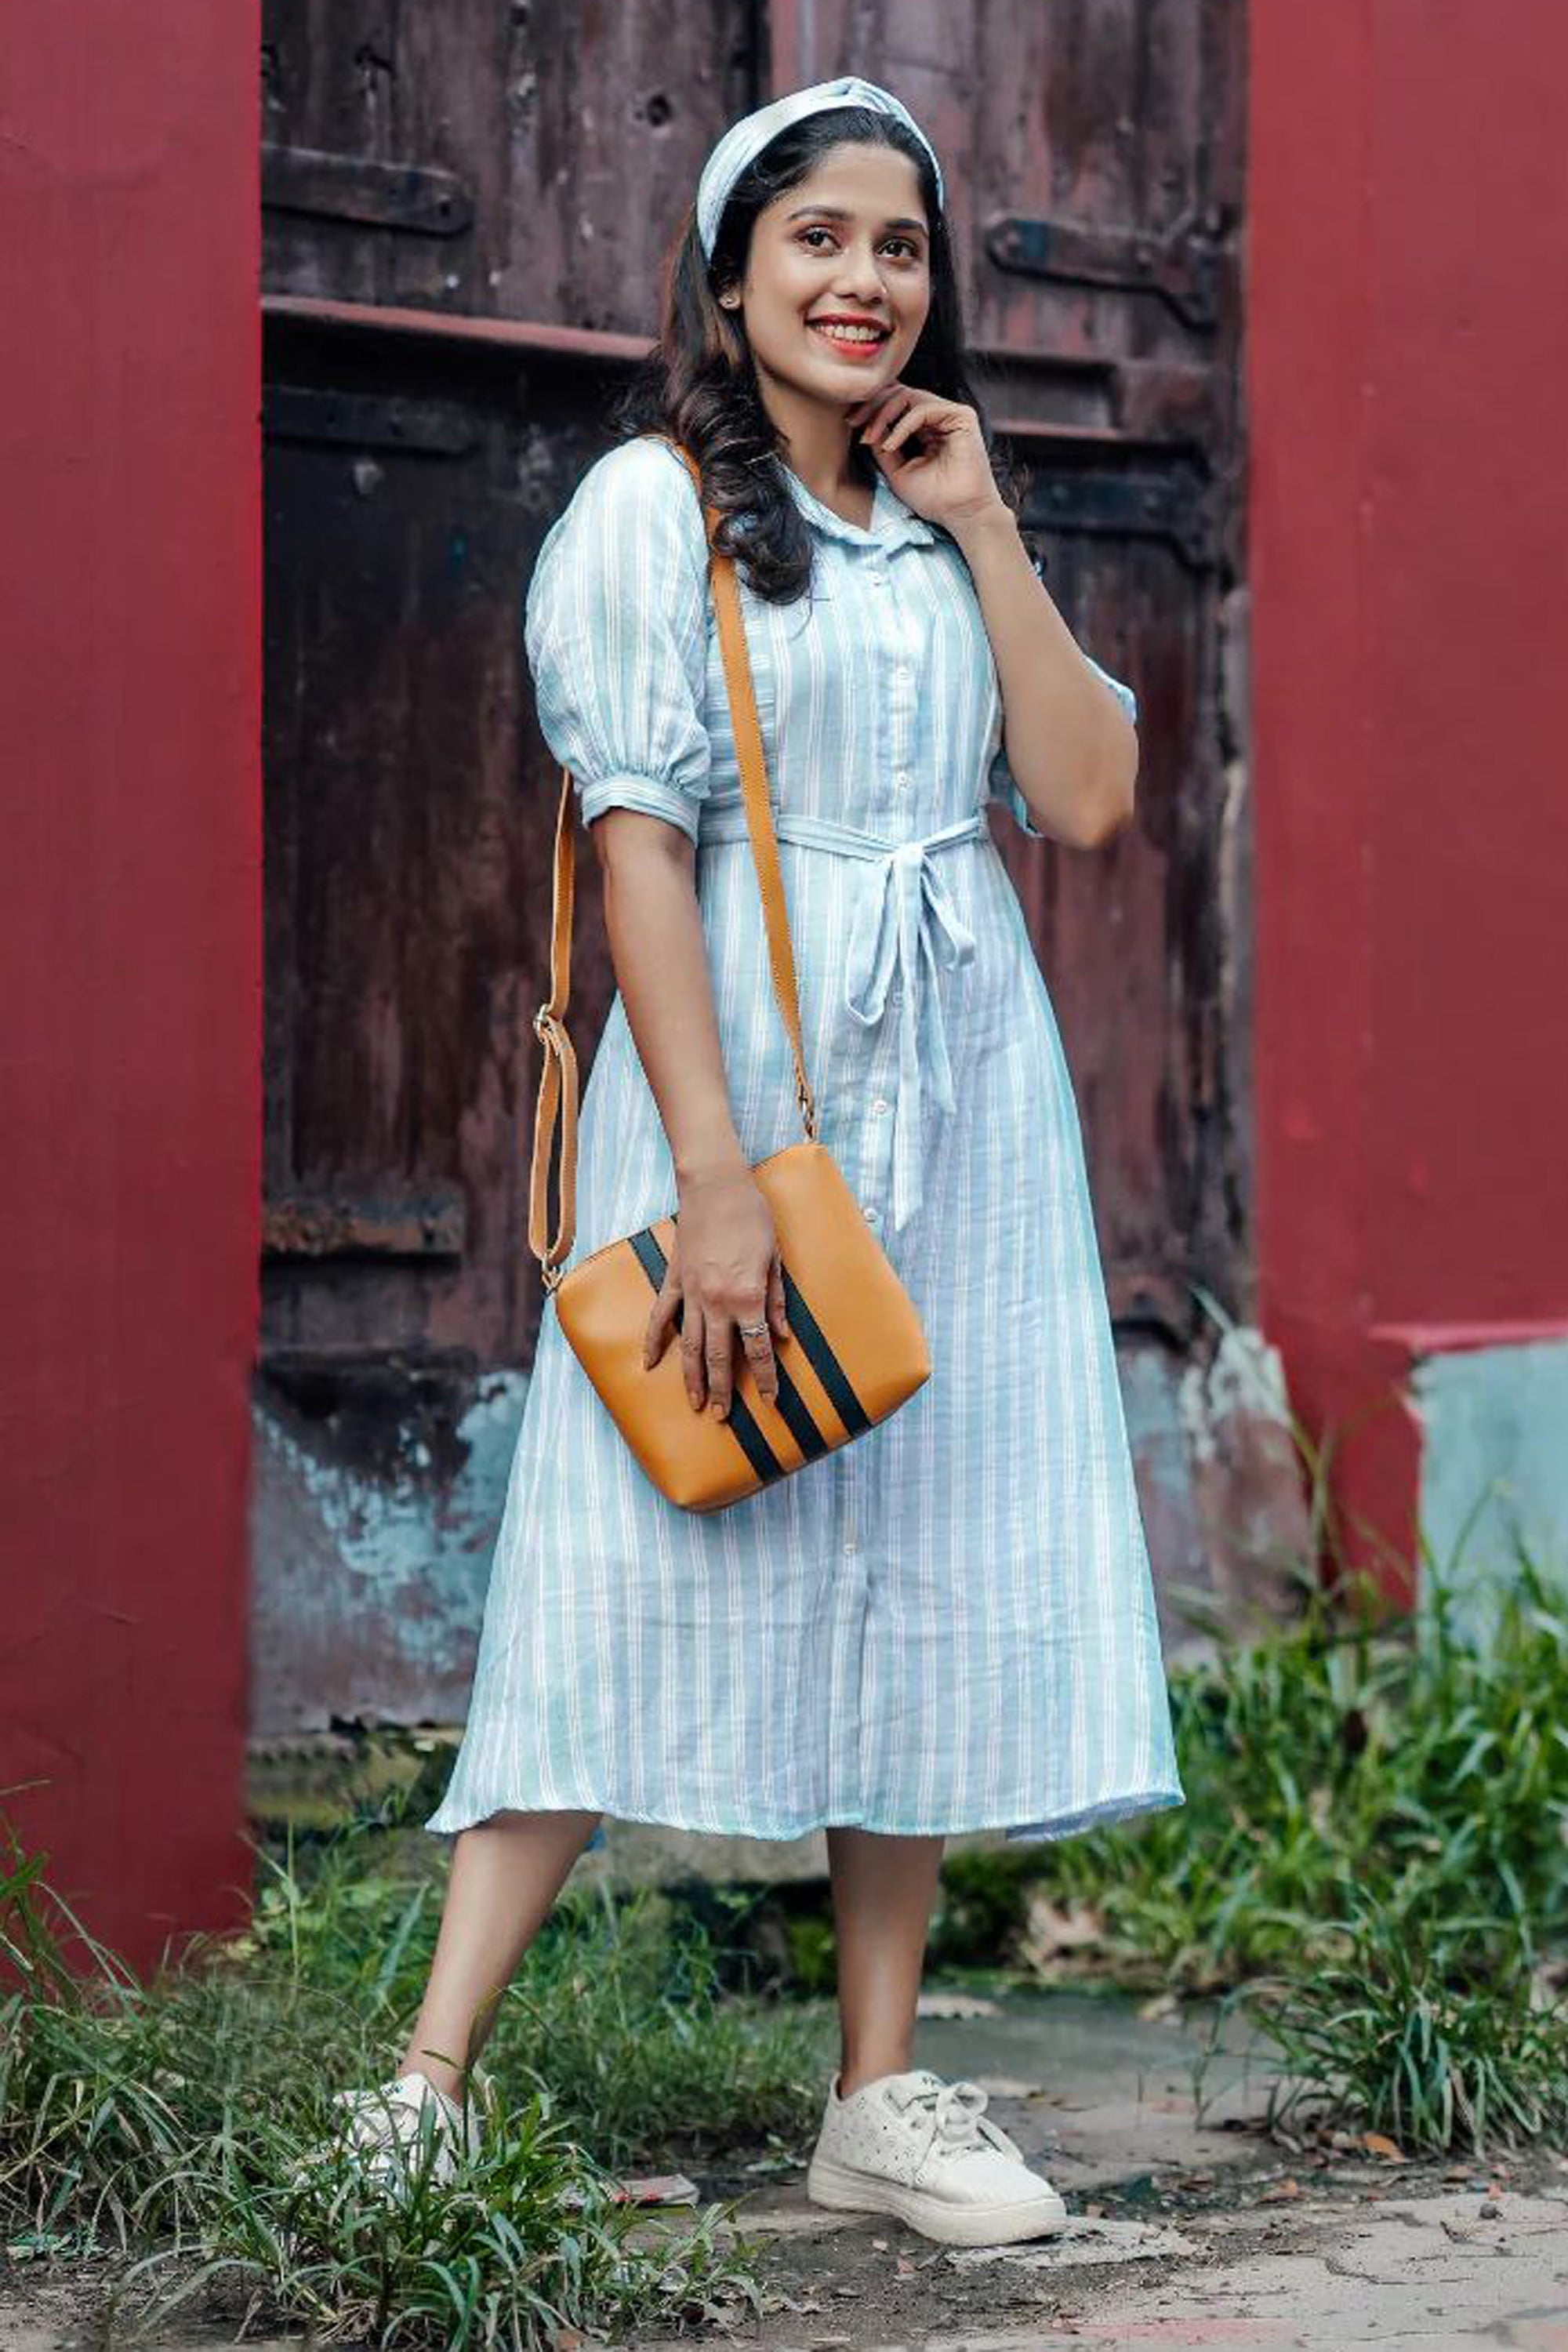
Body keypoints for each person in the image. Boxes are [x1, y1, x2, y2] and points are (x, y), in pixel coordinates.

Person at [327, 74, 1184, 2247]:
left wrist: (988, 526)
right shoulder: (652, 510)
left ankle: (876, 2093)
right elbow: (640, 855)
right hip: (737, 1091)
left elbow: (1089, 798)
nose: (863, 279)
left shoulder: (938, 522)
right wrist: (709, 1179)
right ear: (729, 280)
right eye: (817, 239)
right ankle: (424, 2087)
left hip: (962, 1107)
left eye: (899, 246)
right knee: (614, 1550)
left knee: (919, 1544)